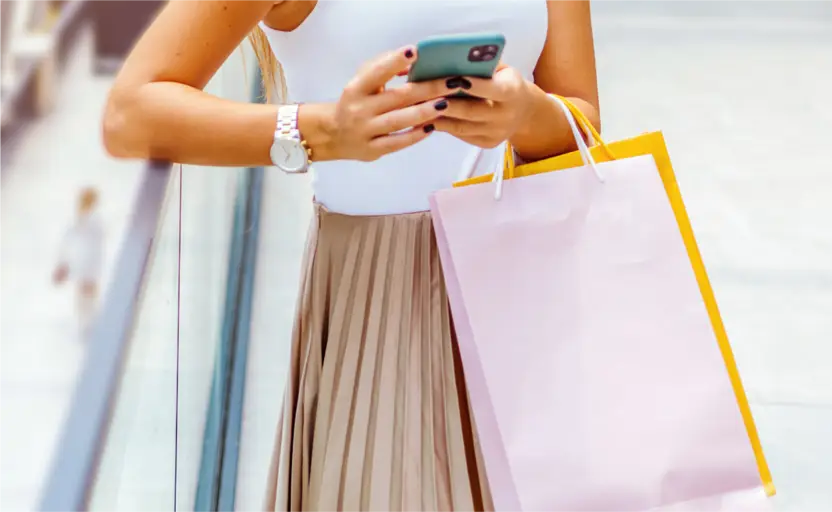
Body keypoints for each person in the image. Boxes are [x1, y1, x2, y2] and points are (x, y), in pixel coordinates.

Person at [102, 0, 600, 509]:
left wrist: (528, 113)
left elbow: (583, 122)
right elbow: (129, 113)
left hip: (529, 298)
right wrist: (322, 132)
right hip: (383, 306)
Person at [54, 187, 104, 339]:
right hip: (86, 262)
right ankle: (86, 325)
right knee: (86, 295)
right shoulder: (87, 220)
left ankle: (87, 325)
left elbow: (68, 239)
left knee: (85, 295)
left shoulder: (86, 219)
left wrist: (63, 262)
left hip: (86, 262)